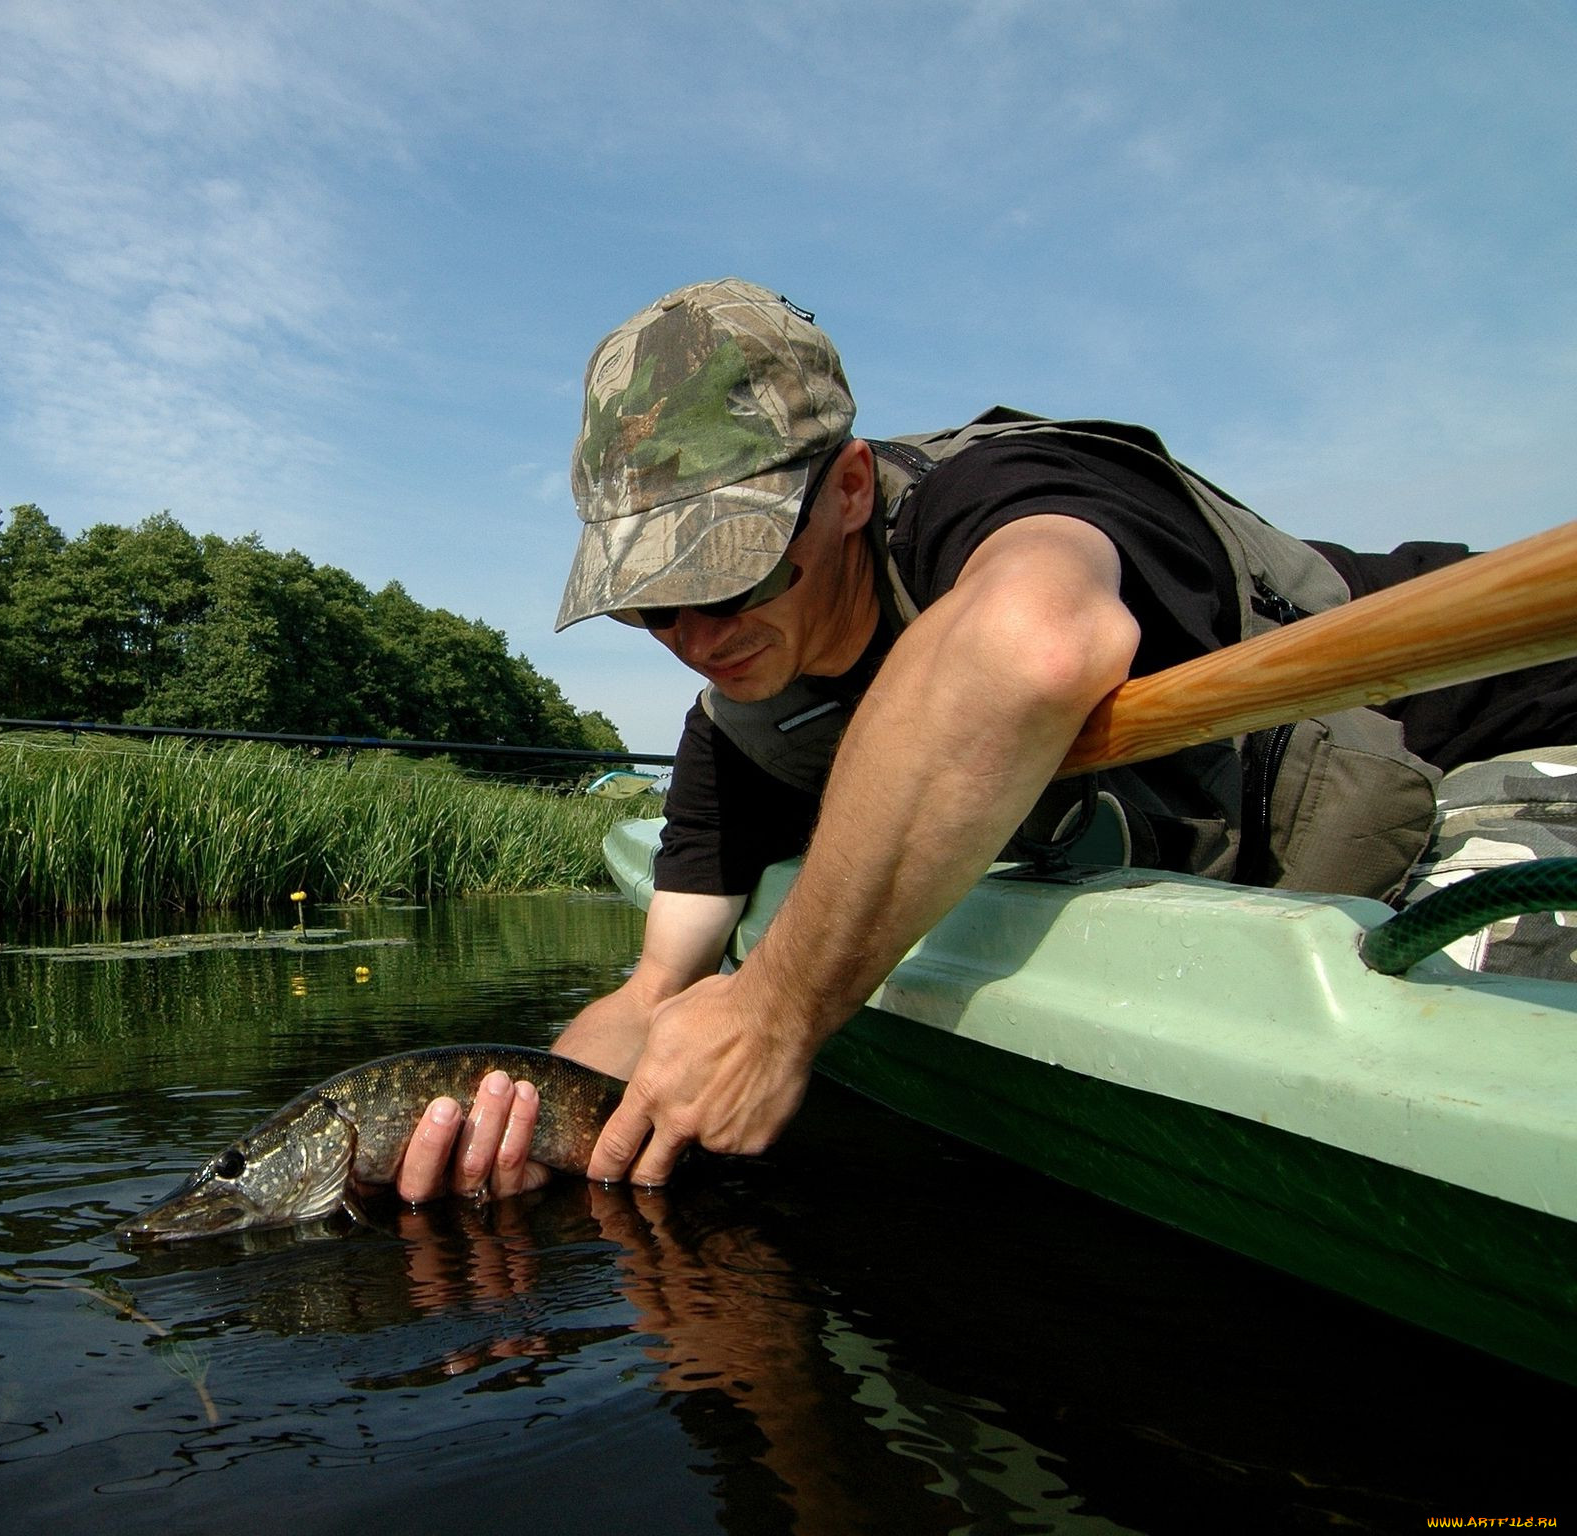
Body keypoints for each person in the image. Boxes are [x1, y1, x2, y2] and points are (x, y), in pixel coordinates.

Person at [393, 277, 1577, 1204]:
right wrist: (497, 1116)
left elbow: (1029, 650)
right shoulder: (739, 727)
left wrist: (778, 1009)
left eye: (728, 571)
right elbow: (654, 988)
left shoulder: (1010, 494)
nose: (695, 636)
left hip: (1495, 722)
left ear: (849, 487)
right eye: (651, 602)